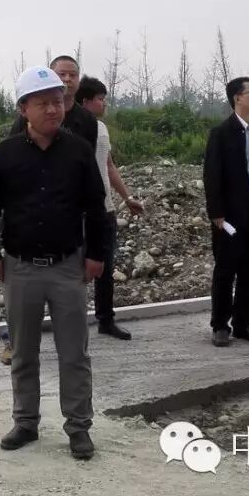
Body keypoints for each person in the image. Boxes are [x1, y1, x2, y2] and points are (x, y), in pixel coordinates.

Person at [0, 66, 108, 460]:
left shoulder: (78, 151)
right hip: (20, 268)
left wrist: (96, 254)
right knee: (22, 352)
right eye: (43, 103)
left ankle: (78, 427)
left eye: (57, 102)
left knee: (74, 354)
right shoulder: (4, 154)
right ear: (24, 108)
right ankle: (25, 422)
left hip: (68, 266)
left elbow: (95, 207)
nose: (53, 109)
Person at [0, 55, 99, 364]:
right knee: (23, 342)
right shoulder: (21, 127)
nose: (67, 79)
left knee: (74, 351)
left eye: (72, 75)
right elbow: (7, 181)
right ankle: (11, 341)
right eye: (62, 74)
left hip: (67, 237)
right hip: (26, 239)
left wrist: (94, 250)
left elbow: (91, 188)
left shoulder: (86, 123)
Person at [203, 77, 249, 347]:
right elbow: (212, 175)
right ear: (237, 98)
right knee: (226, 269)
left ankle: (243, 324)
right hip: (230, 214)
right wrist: (216, 213)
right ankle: (220, 325)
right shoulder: (221, 133)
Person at [74, 76, 145, 340]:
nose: (104, 103)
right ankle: (70, 325)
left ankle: (106, 319)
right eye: (100, 99)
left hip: (105, 209)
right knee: (72, 270)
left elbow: (109, 165)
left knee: (105, 266)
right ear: (85, 101)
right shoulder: (69, 127)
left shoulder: (102, 128)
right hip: (77, 211)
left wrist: (127, 197)